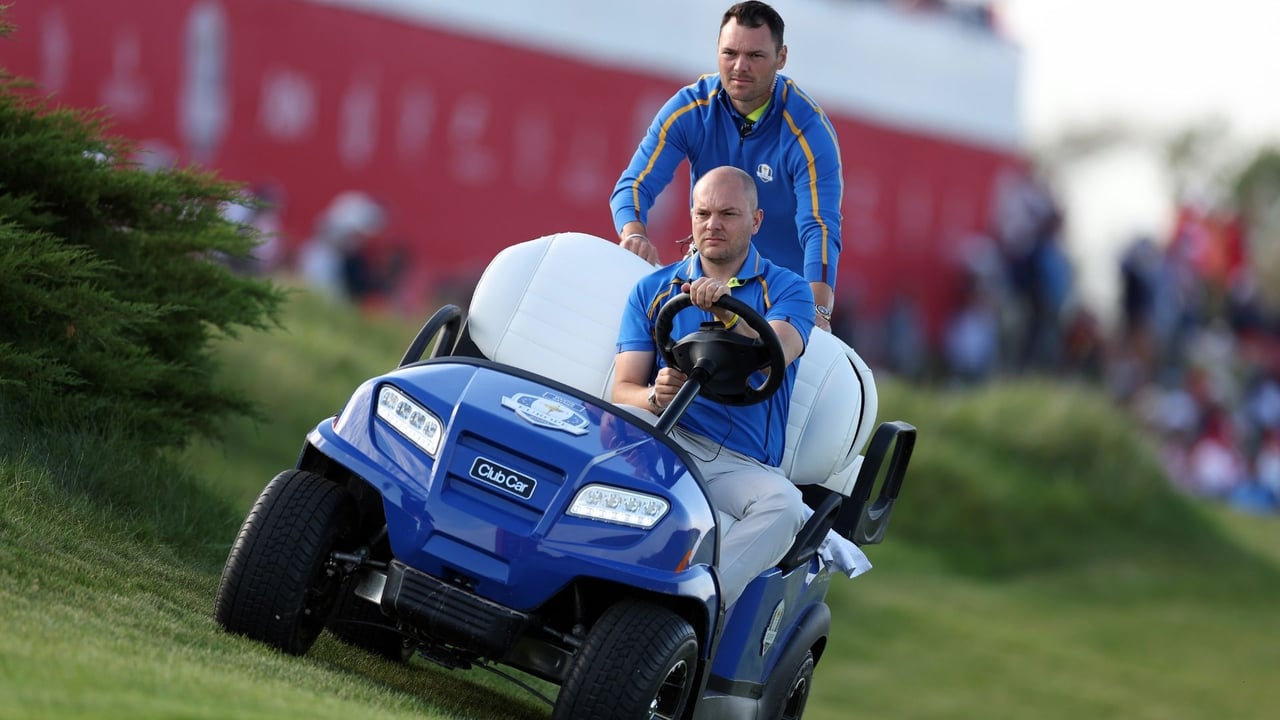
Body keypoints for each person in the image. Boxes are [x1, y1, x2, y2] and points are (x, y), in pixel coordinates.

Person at [611, 166, 813, 607]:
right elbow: (622, 388)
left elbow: (776, 348)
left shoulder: (789, 289)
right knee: (606, 432)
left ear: (755, 222)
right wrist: (653, 395)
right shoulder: (651, 289)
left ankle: (687, 604)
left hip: (739, 465)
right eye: (702, 213)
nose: (712, 225)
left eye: (728, 214)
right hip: (667, 438)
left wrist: (730, 315)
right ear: (690, 216)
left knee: (784, 506)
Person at [610, 1, 843, 332]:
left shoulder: (808, 131)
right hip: (702, 280)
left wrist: (818, 309)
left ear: (781, 58)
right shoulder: (690, 108)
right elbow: (633, 185)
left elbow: (819, 227)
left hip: (777, 299)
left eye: (755, 56)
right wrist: (634, 234)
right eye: (730, 53)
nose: (739, 67)